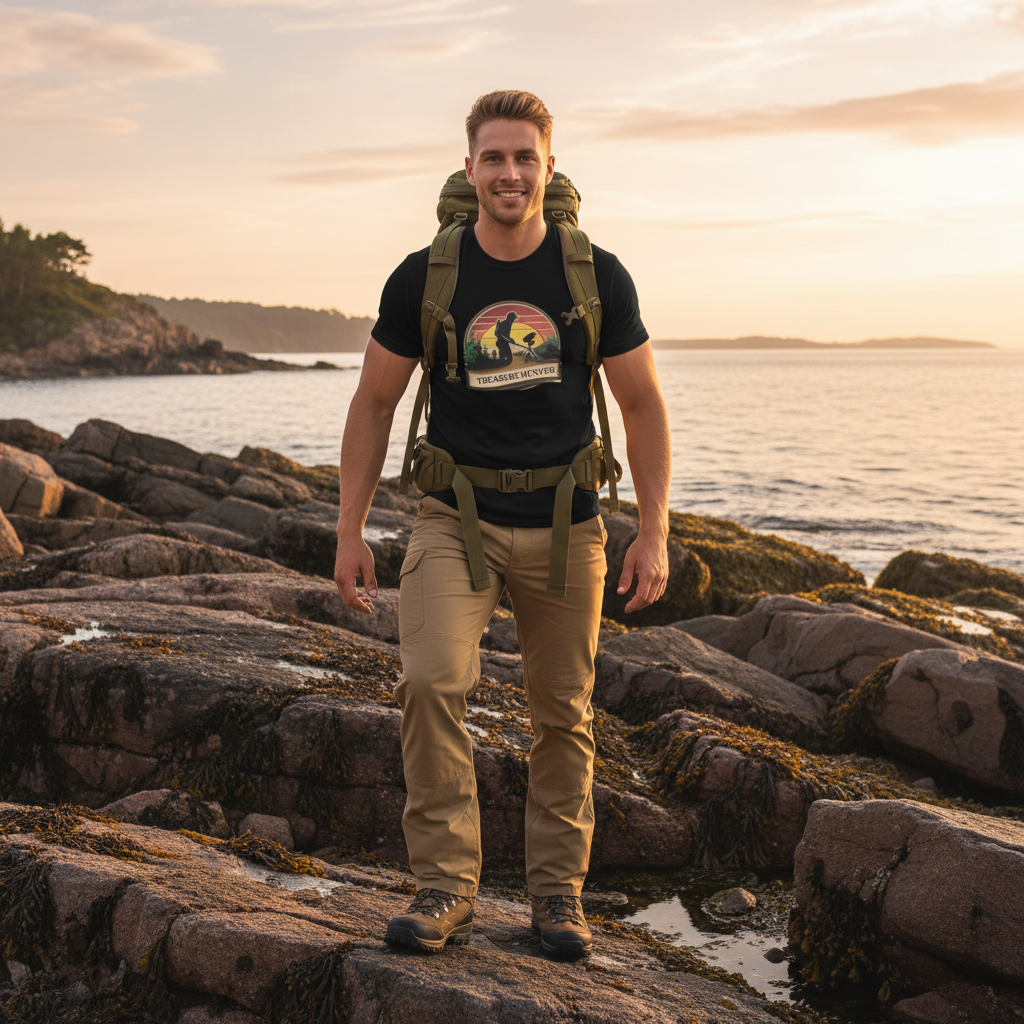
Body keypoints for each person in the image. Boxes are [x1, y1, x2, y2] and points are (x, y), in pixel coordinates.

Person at [333, 90, 671, 960]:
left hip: (569, 526)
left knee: (563, 714)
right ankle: (446, 887)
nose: (510, 173)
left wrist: (655, 529)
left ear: (549, 168)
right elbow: (375, 402)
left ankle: (557, 901)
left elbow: (641, 405)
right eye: (494, 158)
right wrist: (349, 530)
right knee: (432, 682)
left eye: (525, 158)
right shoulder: (426, 275)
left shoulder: (596, 274)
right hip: (457, 521)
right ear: (471, 167)